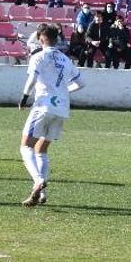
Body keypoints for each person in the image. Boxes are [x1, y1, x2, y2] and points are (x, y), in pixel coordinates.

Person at [18, 24, 83, 206]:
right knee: (41, 149)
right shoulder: (65, 59)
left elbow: (31, 79)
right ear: (57, 39)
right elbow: (81, 83)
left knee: (25, 146)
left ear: (41, 39)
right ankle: (42, 194)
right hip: (62, 108)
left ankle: (38, 180)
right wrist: (64, 91)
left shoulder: (38, 57)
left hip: (43, 106)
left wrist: (24, 97)